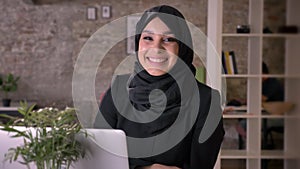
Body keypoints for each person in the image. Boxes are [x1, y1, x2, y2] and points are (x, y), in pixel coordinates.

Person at [94, 5, 224, 169]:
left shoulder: (207, 101)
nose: (156, 48)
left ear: (182, 47)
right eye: (148, 38)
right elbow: (98, 157)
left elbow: (201, 165)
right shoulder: (118, 90)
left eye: (168, 39)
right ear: (138, 42)